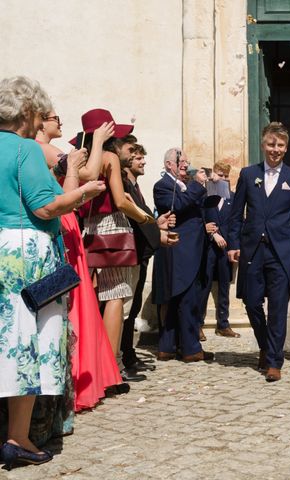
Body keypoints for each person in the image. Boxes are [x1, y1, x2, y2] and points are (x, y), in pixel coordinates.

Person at [0, 76, 105, 468]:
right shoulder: (25, 149)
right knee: (24, 342)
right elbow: (45, 207)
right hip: (24, 255)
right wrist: (83, 193)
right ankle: (19, 436)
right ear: (28, 113)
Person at [36, 110, 126, 410]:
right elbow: (87, 174)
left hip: (72, 224)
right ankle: (78, 378)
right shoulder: (43, 147)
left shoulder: (48, 148)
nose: (60, 122)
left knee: (82, 301)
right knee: (76, 303)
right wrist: (99, 140)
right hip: (64, 223)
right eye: (53, 117)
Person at [75, 109, 156, 386]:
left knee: (98, 296)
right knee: (116, 296)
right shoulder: (109, 157)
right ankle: (112, 369)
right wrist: (147, 219)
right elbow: (120, 201)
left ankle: (99, 364)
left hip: (90, 229)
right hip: (113, 227)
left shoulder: (83, 158)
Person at [227, 122, 290, 382]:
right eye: (271, 144)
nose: (275, 149)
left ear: (286, 148)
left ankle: (275, 360)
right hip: (252, 249)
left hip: (281, 250)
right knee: (251, 301)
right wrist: (233, 244)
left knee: (277, 307)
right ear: (263, 144)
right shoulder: (247, 174)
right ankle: (264, 344)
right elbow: (235, 214)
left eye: (280, 145)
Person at [121, 143, 177, 374]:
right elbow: (136, 221)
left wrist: (158, 223)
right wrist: (159, 234)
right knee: (126, 309)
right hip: (131, 253)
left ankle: (128, 355)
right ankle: (123, 357)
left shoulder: (134, 186)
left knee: (132, 309)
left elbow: (144, 217)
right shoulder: (123, 186)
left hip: (141, 253)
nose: (143, 161)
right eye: (137, 158)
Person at [153, 148, 211, 362]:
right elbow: (175, 206)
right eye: (182, 161)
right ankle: (190, 349)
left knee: (182, 298)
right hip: (180, 248)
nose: (186, 164)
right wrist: (196, 185)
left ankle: (168, 347)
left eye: (187, 161)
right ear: (170, 164)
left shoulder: (183, 185)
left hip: (192, 247)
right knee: (186, 299)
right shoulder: (163, 186)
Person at [202, 161, 240, 338]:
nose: (223, 178)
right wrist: (212, 235)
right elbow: (200, 220)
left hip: (226, 251)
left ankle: (223, 324)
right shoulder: (205, 196)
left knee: (224, 287)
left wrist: (234, 247)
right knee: (204, 285)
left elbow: (236, 224)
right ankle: (197, 324)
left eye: (226, 176)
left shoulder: (233, 198)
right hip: (208, 247)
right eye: (220, 174)